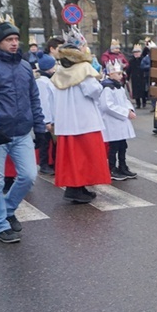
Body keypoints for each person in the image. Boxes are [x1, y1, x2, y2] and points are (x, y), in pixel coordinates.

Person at [0, 20, 47, 243]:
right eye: (8, 40)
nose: (14, 43)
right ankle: (1, 224)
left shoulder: (24, 67)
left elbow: (34, 99)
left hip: (22, 132)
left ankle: (8, 208)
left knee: (29, 176)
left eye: (15, 39)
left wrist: (40, 129)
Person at [50, 26, 111, 203]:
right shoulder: (84, 68)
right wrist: (101, 82)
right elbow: (93, 91)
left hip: (67, 121)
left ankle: (75, 187)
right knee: (85, 156)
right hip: (84, 120)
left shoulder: (61, 68)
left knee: (72, 158)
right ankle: (77, 189)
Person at [100, 60, 137, 181]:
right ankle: (111, 168)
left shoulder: (119, 87)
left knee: (122, 145)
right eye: (118, 74)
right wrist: (125, 113)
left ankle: (123, 166)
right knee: (113, 146)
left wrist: (130, 109)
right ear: (110, 74)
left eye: (121, 73)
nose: (121, 76)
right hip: (112, 122)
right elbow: (107, 106)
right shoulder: (107, 88)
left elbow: (125, 100)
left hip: (120, 121)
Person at [35, 53, 57, 175]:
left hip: (52, 119)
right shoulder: (42, 83)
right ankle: (44, 164)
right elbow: (44, 102)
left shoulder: (48, 81)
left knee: (51, 143)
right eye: (53, 67)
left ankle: (51, 162)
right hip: (45, 120)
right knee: (44, 143)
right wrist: (47, 121)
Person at [126, 43, 148, 108]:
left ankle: (144, 102)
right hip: (135, 77)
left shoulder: (143, 59)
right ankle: (138, 103)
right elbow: (129, 69)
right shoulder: (131, 61)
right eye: (135, 52)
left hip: (142, 77)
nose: (136, 53)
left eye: (138, 52)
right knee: (136, 91)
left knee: (143, 90)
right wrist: (127, 77)